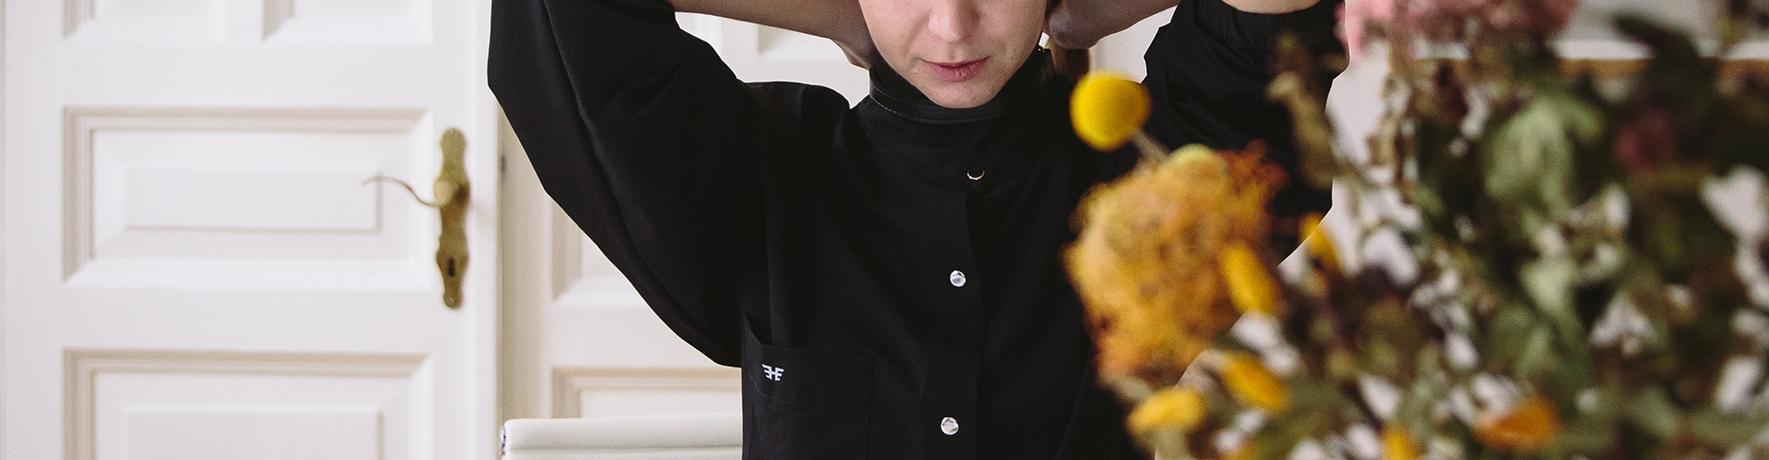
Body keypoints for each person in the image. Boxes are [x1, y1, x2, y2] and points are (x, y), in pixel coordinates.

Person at [488, 0, 1338, 457]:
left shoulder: (1143, 190)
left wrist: (1098, 7)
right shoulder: (760, 181)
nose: (953, 25)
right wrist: (826, 9)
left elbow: (1275, 22)